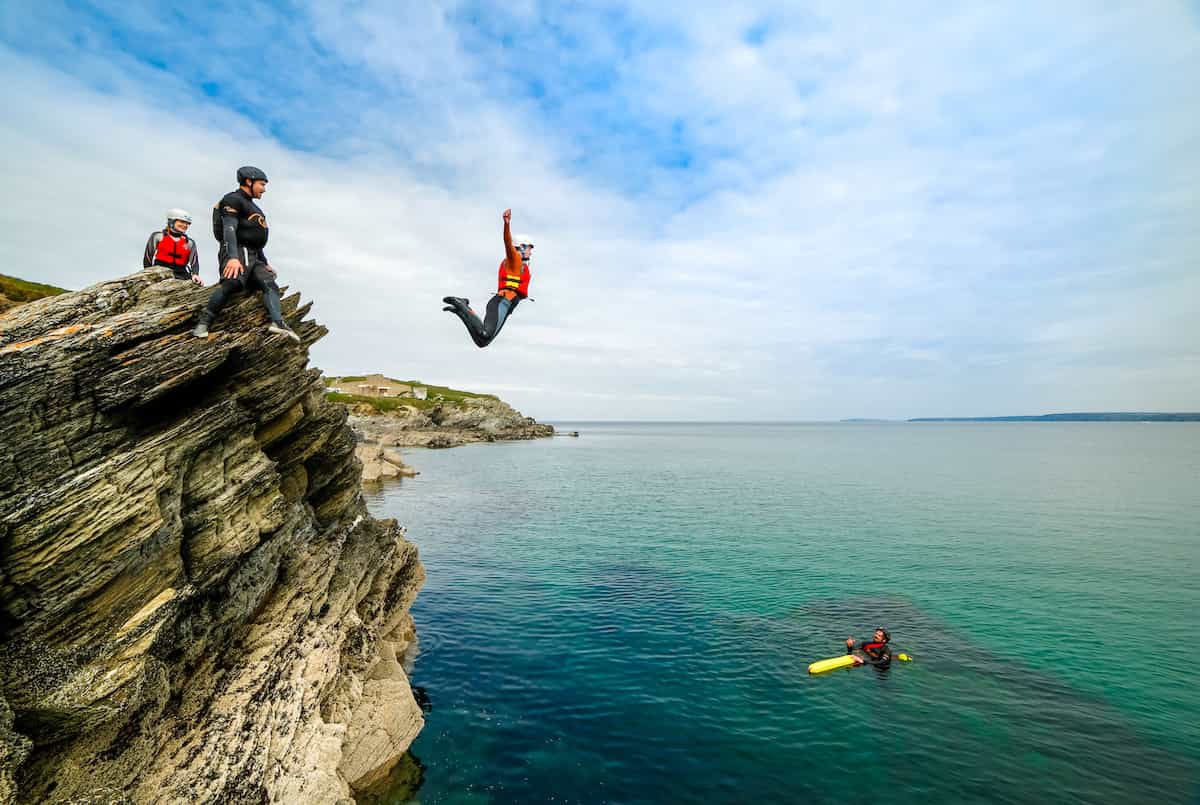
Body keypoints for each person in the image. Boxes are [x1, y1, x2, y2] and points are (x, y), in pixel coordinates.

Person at [192, 166, 299, 342]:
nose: (264, 189)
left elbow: (254, 238)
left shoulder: (252, 205)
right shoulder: (233, 200)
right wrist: (233, 258)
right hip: (238, 250)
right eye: (261, 184)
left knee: (270, 284)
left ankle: (277, 323)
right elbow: (229, 229)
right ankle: (203, 324)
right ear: (249, 181)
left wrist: (264, 262)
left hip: (254, 255)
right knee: (232, 283)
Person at [442, 208, 532, 348]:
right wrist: (506, 224)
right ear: (520, 247)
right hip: (501, 303)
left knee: (482, 342)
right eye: (529, 248)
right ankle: (462, 305)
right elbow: (508, 244)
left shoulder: (521, 266)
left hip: (506, 306)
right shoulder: (515, 259)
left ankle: (461, 311)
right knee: (484, 334)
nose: (531, 252)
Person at [143, 209, 202, 284]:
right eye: (182, 222)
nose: (185, 225)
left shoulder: (190, 243)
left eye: (187, 223)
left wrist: (195, 274)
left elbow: (194, 262)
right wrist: (148, 274)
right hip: (159, 270)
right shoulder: (158, 236)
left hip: (181, 273)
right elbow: (148, 257)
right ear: (171, 221)